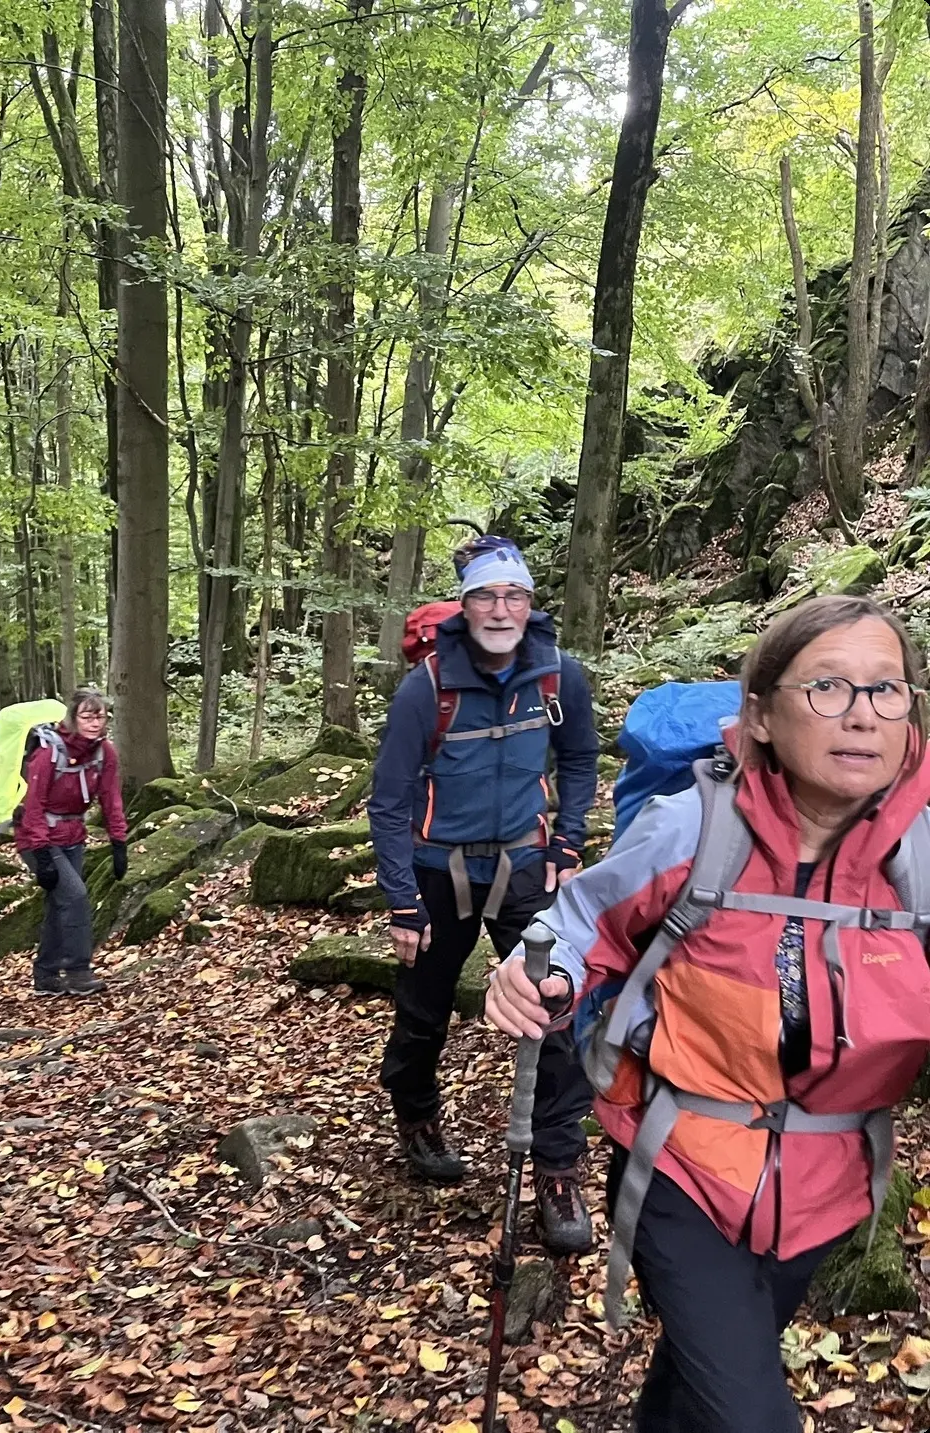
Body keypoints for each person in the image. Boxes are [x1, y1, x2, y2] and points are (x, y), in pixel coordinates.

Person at [486, 594, 930, 1432]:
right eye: (828, 687)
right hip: (680, 1166)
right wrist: (532, 972)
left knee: (703, 1387)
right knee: (754, 1416)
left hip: (826, 1187)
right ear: (759, 714)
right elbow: (579, 923)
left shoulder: (922, 859)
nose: (863, 714)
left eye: (887, 689)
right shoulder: (693, 828)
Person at [369, 535, 599, 1253]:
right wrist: (402, 900)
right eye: (486, 597)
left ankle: (557, 1170)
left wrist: (568, 839)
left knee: (557, 1009)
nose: (501, 609)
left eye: (514, 596)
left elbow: (581, 757)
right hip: (437, 873)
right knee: (422, 1014)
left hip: (526, 869)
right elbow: (389, 796)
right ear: (464, 606)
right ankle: (416, 1115)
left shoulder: (560, 676)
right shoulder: (427, 685)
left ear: (530, 605)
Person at [17, 689, 128, 997]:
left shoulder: (105, 752)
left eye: (100, 716)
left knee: (59, 904)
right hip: (37, 835)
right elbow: (33, 806)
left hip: (73, 835)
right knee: (76, 896)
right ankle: (79, 971)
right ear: (73, 717)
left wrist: (119, 841)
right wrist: (40, 854)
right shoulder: (48, 752)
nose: (94, 722)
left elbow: (111, 799)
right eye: (87, 716)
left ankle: (46, 975)